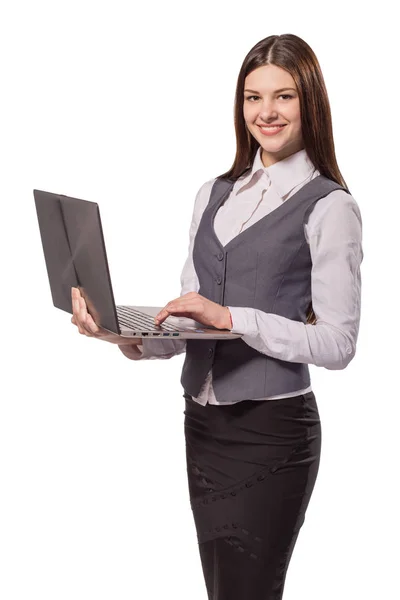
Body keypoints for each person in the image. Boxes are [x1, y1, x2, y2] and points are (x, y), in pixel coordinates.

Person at [71, 33, 363, 600]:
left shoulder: (331, 206)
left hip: (272, 434)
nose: (267, 112)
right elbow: (193, 322)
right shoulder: (214, 193)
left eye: (284, 96)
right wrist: (121, 333)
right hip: (203, 429)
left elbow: (339, 343)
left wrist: (235, 317)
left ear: (311, 103)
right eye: (253, 97)